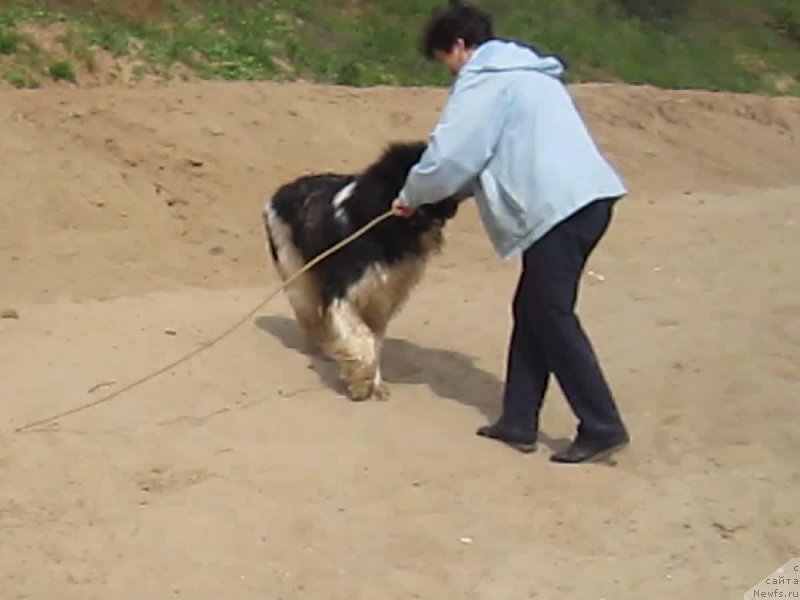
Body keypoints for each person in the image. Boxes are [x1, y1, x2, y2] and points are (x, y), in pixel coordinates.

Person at [392, 0, 630, 463]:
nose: (450, 71)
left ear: (459, 45)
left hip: (559, 208)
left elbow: (453, 156)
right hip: (587, 200)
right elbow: (483, 157)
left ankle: (602, 423)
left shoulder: (485, 80)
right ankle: (519, 419)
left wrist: (412, 195)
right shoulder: (531, 75)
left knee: (552, 314)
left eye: (446, 60)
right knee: (533, 308)